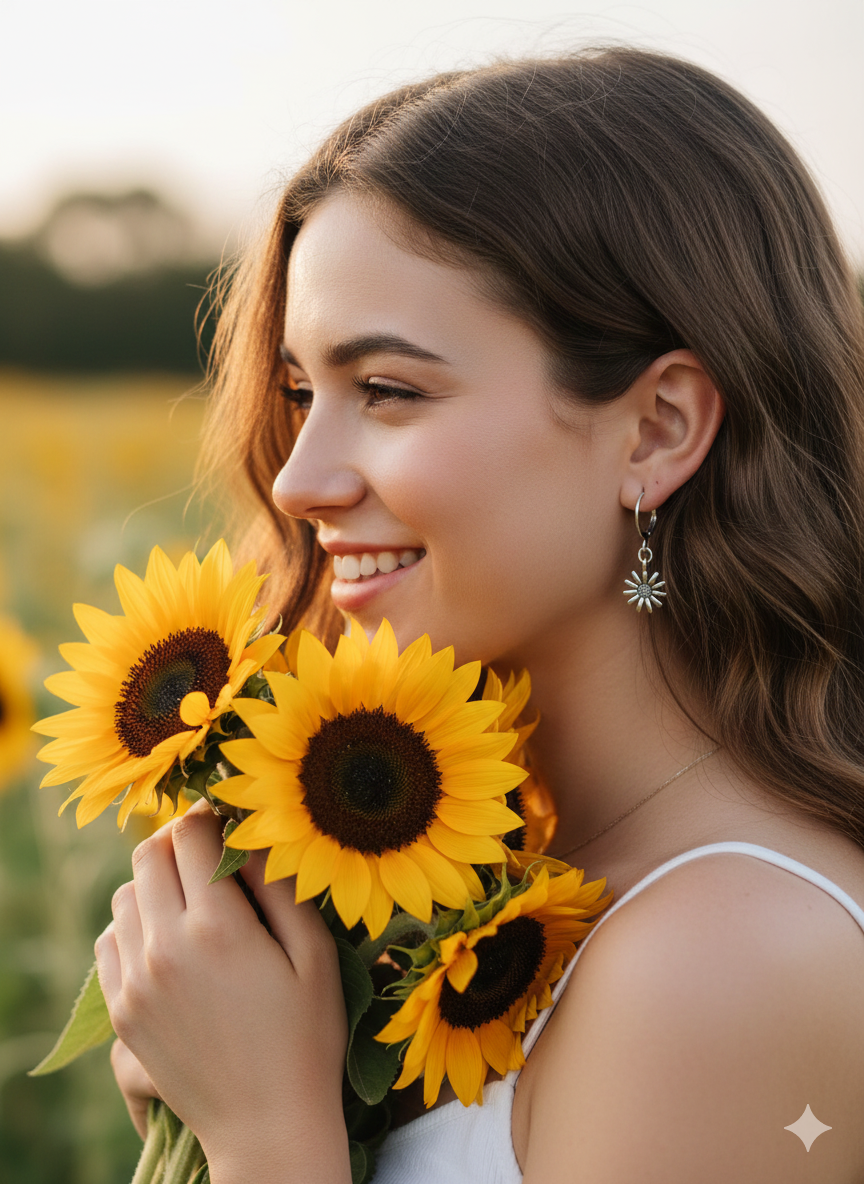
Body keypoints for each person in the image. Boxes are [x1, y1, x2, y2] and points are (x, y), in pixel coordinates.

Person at [95, 46, 864, 1183]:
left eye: (391, 390)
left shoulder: (727, 958)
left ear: (655, 430)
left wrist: (264, 1131)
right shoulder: (505, 888)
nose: (300, 479)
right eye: (302, 391)